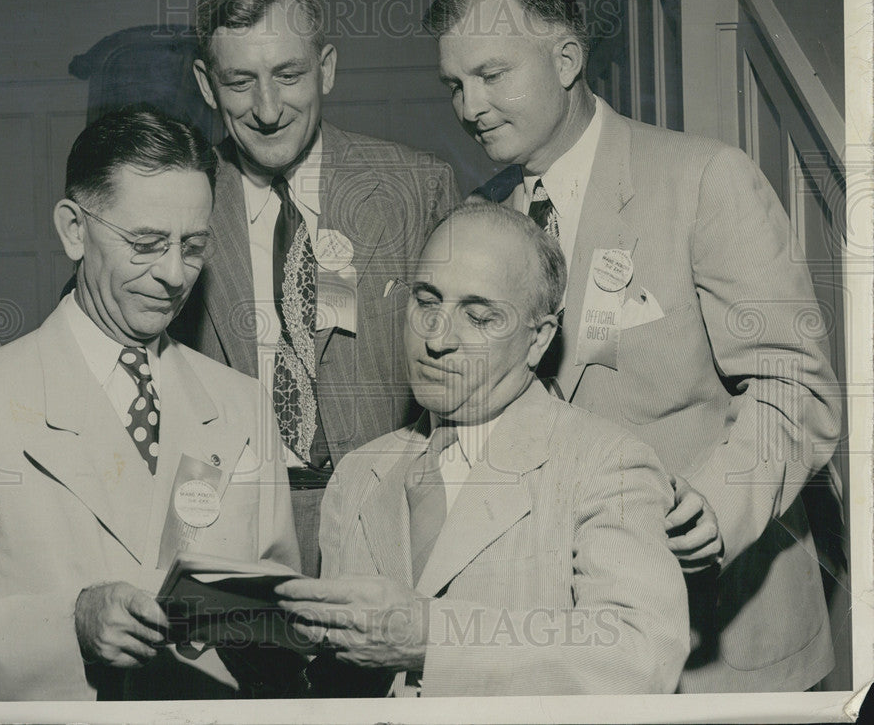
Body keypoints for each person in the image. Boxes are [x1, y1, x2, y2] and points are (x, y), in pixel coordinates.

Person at [0, 0, 463, 578]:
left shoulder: (415, 187)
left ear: (327, 68)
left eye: (289, 75)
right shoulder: (176, 193)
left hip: (386, 527)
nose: (267, 109)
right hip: (223, 536)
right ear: (207, 85)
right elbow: (96, 331)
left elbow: (469, 365)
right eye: (240, 81)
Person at [422, 0, 841, 692]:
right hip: (566, 643)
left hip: (724, 641)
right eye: (455, 85)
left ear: (567, 59)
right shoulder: (478, 217)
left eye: (491, 75)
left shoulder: (705, 178)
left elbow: (794, 384)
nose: (471, 106)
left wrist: (717, 502)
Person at [0, 109, 299, 701]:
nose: (171, 275)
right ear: (73, 230)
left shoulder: (241, 408)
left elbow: (276, 622)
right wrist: (70, 626)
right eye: (145, 244)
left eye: (192, 247)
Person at [276, 201, 690, 696]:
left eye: (478, 317)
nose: (437, 338)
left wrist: (433, 637)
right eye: (427, 303)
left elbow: (641, 655)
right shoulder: (358, 473)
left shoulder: (605, 465)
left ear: (538, 341)